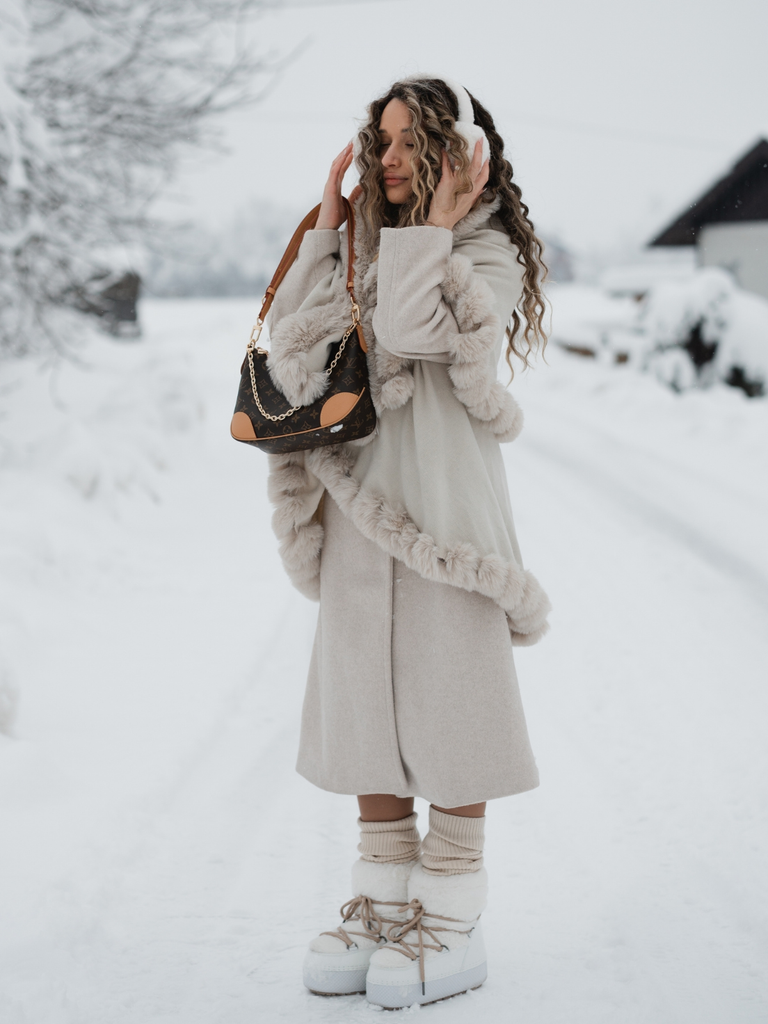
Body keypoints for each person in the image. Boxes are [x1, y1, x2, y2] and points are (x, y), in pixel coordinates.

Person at [264, 75, 550, 1009]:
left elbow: (412, 328)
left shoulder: (487, 252)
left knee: (451, 712)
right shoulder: (357, 246)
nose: (384, 158)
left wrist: (431, 228)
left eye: (405, 141)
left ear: (455, 152)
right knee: (366, 717)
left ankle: (451, 919)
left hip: (441, 518)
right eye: (377, 140)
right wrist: (324, 224)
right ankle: (385, 909)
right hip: (357, 509)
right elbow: (286, 348)